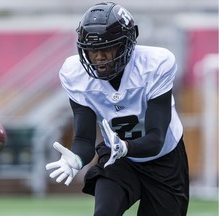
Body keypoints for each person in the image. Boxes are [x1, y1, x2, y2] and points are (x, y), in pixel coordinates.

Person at [45, 2, 189, 215]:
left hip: (164, 160)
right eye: (92, 50)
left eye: (106, 48)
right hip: (116, 158)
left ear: (125, 44)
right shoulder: (74, 73)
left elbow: (156, 138)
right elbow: (84, 139)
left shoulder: (155, 64)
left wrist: (126, 147)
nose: (99, 57)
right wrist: (76, 158)